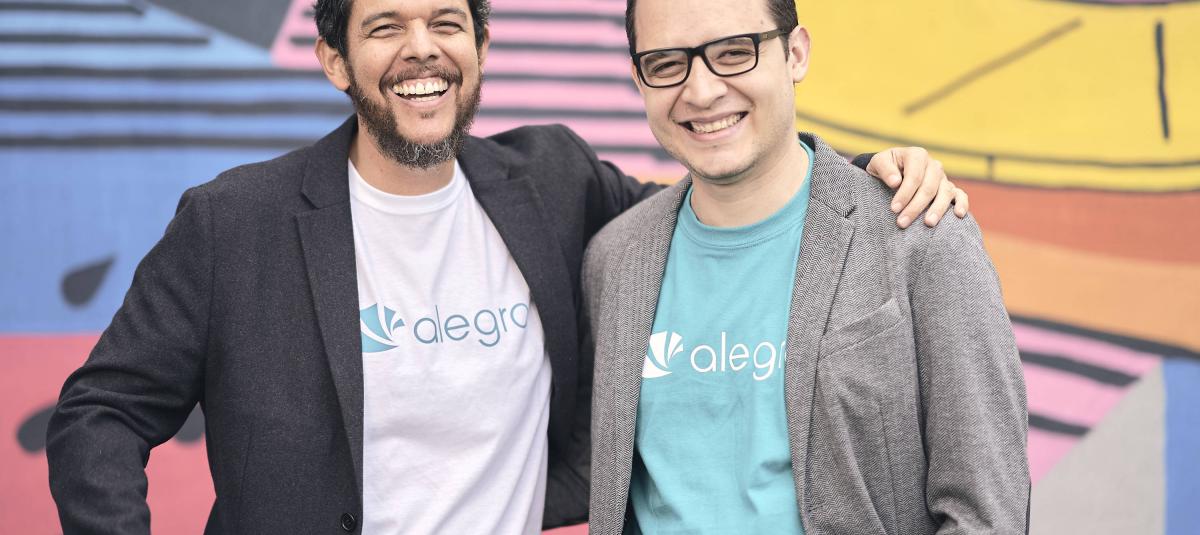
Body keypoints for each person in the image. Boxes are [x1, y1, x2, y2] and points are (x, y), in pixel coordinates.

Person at [45, 0, 968, 533]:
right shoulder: (234, 221)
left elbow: (727, 186)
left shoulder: (554, 180)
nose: (421, 47)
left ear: (482, 48)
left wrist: (867, 171)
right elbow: (100, 412)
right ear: (333, 59)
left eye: (447, 20)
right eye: (385, 25)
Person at [583, 0, 1029, 533]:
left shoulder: (920, 235)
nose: (700, 91)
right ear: (639, 79)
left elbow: (987, 514)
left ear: (795, 54)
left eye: (733, 53)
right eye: (666, 64)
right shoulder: (613, 259)